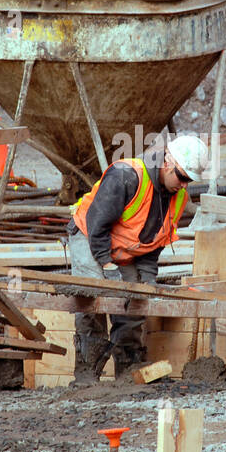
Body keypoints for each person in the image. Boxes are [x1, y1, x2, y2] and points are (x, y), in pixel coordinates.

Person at [66, 134, 208, 383]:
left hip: (124, 248)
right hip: (90, 237)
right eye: (182, 177)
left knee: (135, 302)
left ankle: (128, 370)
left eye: (190, 180)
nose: (184, 185)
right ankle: (87, 374)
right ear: (167, 161)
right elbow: (97, 224)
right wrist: (107, 266)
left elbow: (154, 243)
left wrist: (148, 280)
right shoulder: (126, 176)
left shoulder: (179, 197)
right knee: (93, 296)